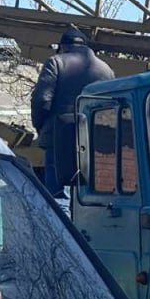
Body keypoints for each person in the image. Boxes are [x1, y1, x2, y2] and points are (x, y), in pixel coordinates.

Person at [31, 26, 115, 212]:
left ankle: (64, 237)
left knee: (58, 197)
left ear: (62, 47)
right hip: (96, 142)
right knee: (90, 194)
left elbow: (42, 100)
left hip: (58, 139)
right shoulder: (106, 69)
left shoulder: (56, 62)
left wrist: (40, 127)